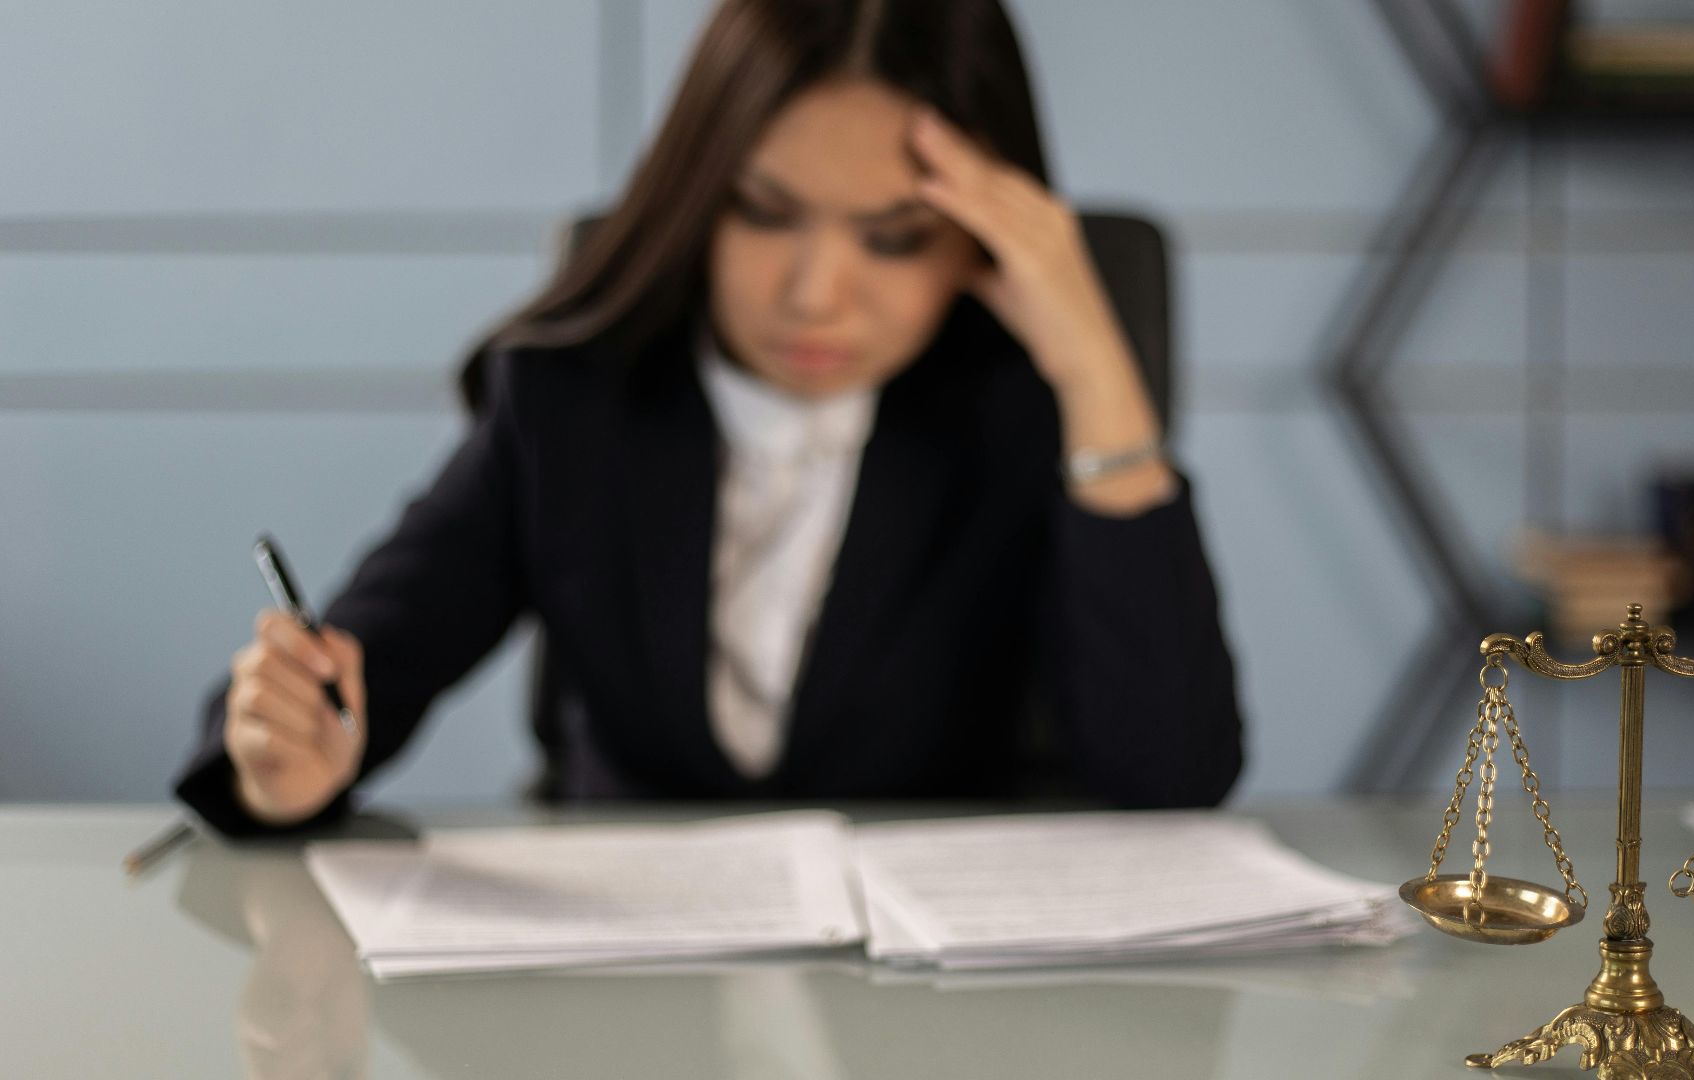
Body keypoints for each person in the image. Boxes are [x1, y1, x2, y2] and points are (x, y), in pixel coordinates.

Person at [174, 0, 1244, 836]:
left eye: (894, 237)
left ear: (980, 240)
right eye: (766, 214)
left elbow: (1171, 780)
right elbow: (357, 675)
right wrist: (286, 767)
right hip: (634, 1004)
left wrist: (1095, 369)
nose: (816, 295)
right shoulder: (569, 399)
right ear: (697, 194)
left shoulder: (1022, 412)